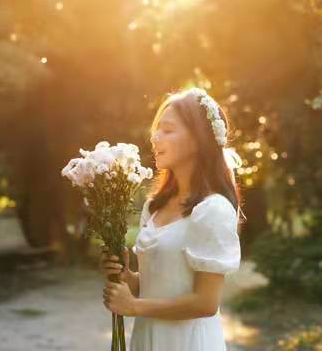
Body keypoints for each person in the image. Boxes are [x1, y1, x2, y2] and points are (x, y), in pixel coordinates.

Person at [100, 87, 246, 350]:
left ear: (198, 139)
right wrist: (126, 277)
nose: (155, 137)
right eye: (157, 129)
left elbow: (205, 303)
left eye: (167, 130)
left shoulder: (212, 209)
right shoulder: (154, 206)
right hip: (148, 339)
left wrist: (134, 306)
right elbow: (155, 288)